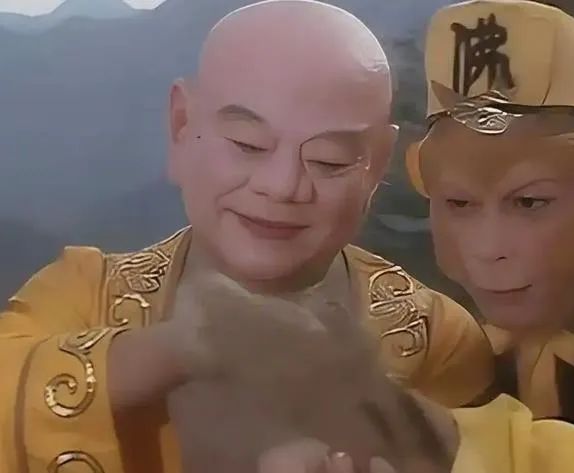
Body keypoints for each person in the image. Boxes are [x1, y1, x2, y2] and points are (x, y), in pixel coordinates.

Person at [0, 1, 494, 472]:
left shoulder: (432, 337)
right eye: (247, 144)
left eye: (329, 160)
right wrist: (176, 349)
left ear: (377, 165)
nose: (282, 186)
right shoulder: (84, 294)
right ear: (181, 127)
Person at [404, 0, 574, 471]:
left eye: (529, 202)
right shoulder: (462, 340)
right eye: (459, 204)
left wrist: (413, 430)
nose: (487, 249)